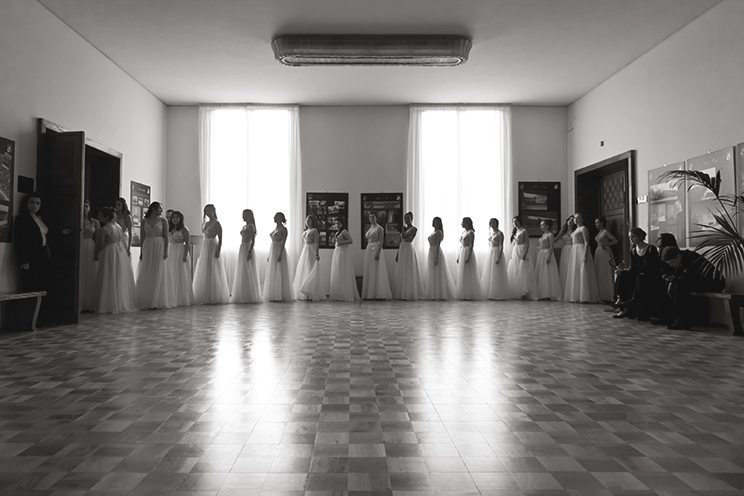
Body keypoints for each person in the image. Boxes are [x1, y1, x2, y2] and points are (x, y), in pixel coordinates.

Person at [660, 246, 726, 330]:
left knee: (680, 285)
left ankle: (682, 321)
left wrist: (675, 280)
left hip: (715, 283)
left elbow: (689, 276)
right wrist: (671, 278)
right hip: (702, 281)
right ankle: (669, 317)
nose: (672, 265)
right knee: (670, 284)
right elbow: (681, 275)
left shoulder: (692, 257)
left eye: (672, 262)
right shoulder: (683, 258)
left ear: (678, 256)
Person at [95, 207, 137, 314]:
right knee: (117, 276)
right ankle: (118, 301)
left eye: (100, 215)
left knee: (108, 275)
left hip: (109, 251)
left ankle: (107, 303)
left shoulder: (104, 229)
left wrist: (96, 252)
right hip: (119, 251)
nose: (98, 217)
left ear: (106, 217)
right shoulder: (118, 226)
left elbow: (100, 245)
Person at [612, 227, 659, 320]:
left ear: (640, 236)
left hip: (648, 275)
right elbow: (633, 268)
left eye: (633, 237)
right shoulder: (633, 250)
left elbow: (651, 267)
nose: (631, 239)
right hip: (637, 274)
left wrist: (636, 271)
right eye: (630, 237)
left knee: (640, 277)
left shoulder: (651, 249)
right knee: (623, 274)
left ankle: (634, 303)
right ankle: (620, 299)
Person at [13, 193, 51, 292]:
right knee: (30, 285)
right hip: (31, 256)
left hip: (42, 254)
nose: (35, 205)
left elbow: (44, 234)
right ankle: (27, 307)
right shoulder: (22, 218)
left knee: (42, 284)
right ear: (26, 203)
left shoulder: (39, 218)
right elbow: (20, 240)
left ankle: (39, 307)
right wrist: (23, 260)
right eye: (32, 202)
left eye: (38, 203)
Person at [193, 204, 230, 304]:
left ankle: (215, 295)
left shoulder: (217, 223)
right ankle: (204, 294)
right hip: (205, 245)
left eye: (209, 210)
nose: (208, 213)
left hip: (213, 245)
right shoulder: (206, 223)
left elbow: (221, 238)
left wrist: (218, 250)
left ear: (214, 211)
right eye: (206, 211)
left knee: (213, 267)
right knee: (205, 268)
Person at [136, 201, 170, 309]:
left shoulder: (163, 221)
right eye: (160, 208)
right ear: (154, 209)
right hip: (148, 245)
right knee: (147, 269)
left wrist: (165, 251)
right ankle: (147, 298)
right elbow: (142, 237)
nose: (161, 210)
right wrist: (141, 251)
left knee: (158, 269)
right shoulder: (144, 221)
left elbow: (166, 237)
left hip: (159, 244)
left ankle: (157, 300)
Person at [564, 212, 600, 303]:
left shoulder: (583, 229)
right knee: (575, 272)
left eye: (578, 218)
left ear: (582, 219)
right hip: (574, 250)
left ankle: (584, 296)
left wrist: (585, 254)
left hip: (581, 249)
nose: (576, 219)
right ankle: (576, 295)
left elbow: (586, 242)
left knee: (582, 272)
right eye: (575, 218)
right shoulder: (575, 230)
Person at [231, 209, 262, 304]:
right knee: (242, 269)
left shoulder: (251, 226)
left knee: (248, 269)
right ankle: (242, 293)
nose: (242, 217)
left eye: (244, 215)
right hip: (242, 247)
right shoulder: (245, 226)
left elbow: (253, 240)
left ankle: (249, 294)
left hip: (247, 247)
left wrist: (249, 251)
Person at [293, 215, 326, 301]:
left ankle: (310, 292)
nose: (307, 222)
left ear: (313, 221)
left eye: (309, 221)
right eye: (306, 221)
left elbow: (316, 243)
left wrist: (317, 254)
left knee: (310, 269)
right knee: (303, 269)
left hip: (311, 250)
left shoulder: (314, 230)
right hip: (305, 249)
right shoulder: (305, 230)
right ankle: (303, 293)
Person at [166, 210, 195, 307]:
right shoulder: (169, 228)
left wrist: (185, 255)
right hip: (171, 250)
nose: (175, 219)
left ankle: (181, 297)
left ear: (180, 219)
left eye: (177, 218)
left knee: (180, 272)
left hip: (180, 250)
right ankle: (171, 296)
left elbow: (187, 243)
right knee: (171, 272)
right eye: (173, 217)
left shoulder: (184, 229)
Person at [393, 211, 424, 300]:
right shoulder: (404, 228)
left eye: (408, 218)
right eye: (405, 218)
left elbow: (405, 236)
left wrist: (402, 229)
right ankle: (402, 293)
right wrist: (398, 253)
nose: (406, 220)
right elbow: (400, 241)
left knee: (409, 270)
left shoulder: (414, 229)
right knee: (402, 269)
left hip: (408, 248)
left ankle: (409, 293)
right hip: (402, 248)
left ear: (411, 219)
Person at [264, 212, 294, 302]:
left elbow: (283, 242)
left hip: (279, 250)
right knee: (273, 271)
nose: (275, 218)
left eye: (277, 217)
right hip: (273, 250)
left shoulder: (284, 229)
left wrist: (280, 254)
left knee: (279, 271)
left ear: (281, 218)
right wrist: (270, 255)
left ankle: (279, 295)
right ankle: (273, 294)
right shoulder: (275, 228)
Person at [362, 212, 392, 299]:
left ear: (376, 218)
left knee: (376, 269)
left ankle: (378, 293)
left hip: (376, 248)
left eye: (373, 217)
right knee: (370, 269)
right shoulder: (369, 227)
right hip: (369, 248)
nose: (371, 219)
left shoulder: (379, 228)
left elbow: (381, 240)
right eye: (370, 217)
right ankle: (370, 293)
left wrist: (378, 252)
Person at [424, 217, 455, 300]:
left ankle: (439, 293)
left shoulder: (439, 232)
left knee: (437, 272)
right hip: (431, 251)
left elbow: (438, 244)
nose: (433, 223)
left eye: (435, 222)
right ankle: (433, 293)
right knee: (433, 272)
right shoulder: (434, 232)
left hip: (436, 251)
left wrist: (436, 257)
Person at [507, 215, 537, 300]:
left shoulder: (524, 231)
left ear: (520, 221)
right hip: (516, 250)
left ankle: (524, 291)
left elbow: (527, 243)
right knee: (515, 269)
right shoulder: (515, 231)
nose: (514, 223)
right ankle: (516, 291)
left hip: (522, 250)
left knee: (524, 270)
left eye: (516, 221)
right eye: (513, 222)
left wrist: (525, 253)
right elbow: (513, 244)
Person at [329, 220, 360, 301]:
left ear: (342, 224)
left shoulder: (344, 231)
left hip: (343, 252)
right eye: (336, 223)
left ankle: (345, 293)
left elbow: (351, 241)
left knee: (343, 270)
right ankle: (338, 293)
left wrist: (341, 242)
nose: (337, 225)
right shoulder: (337, 232)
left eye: (339, 223)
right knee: (337, 271)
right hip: (337, 251)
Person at [480, 218, 510, 300]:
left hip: (497, 252)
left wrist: (499, 257)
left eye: (493, 222)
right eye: (490, 222)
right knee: (490, 272)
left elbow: (501, 246)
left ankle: (498, 293)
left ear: (497, 223)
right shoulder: (490, 233)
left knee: (497, 272)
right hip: (491, 252)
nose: (491, 224)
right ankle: (490, 292)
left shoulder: (500, 233)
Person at [79, 200, 100, 312]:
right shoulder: (77, 219)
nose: (84, 208)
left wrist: (97, 251)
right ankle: (80, 302)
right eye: (83, 206)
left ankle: (90, 302)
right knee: (81, 272)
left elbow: (98, 238)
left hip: (90, 246)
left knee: (91, 272)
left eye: (87, 206)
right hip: (80, 246)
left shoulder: (94, 222)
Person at [535, 219, 562, 301]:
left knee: (547, 273)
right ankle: (542, 293)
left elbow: (551, 247)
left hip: (547, 253)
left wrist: (549, 257)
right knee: (542, 272)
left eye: (542, 225)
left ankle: (548, 293)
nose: (541, 226)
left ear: (547, 226)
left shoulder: (550, 235)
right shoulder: (543, 235)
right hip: (542, 254)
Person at [455, 217, 481, 300]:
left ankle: (469, 294)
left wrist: (468, 257)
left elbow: (471, 245)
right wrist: (459, 256)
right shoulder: (464, 232)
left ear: (466, 223)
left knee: (468, 272)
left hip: (467, 252)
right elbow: (461, 244)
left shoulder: (471, 233)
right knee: (463, 273)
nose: (461, 224)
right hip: (462, 251)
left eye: (462, 222)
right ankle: (463, 293)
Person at [594, 216, 618, 302]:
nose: (596, 224)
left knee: (605, 271)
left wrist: (606, 244)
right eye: (595, 222)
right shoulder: (599, 232)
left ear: (602, 223)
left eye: (597, 222)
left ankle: (608, 295)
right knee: (599, 272)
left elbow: (615, 241)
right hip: (598, 252)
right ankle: (601, 294)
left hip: (605, 252)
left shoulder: (605, 232)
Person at [556, 215, 576, 292]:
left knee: (571, 267)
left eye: (572, 221)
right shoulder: (563, 231)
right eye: (569, 220)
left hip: (572, 249)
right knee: (565, 267)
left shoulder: (575, 231)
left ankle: (571, 289)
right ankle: (564, 289)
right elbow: (555, 239)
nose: (570, 222)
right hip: (565, 250)